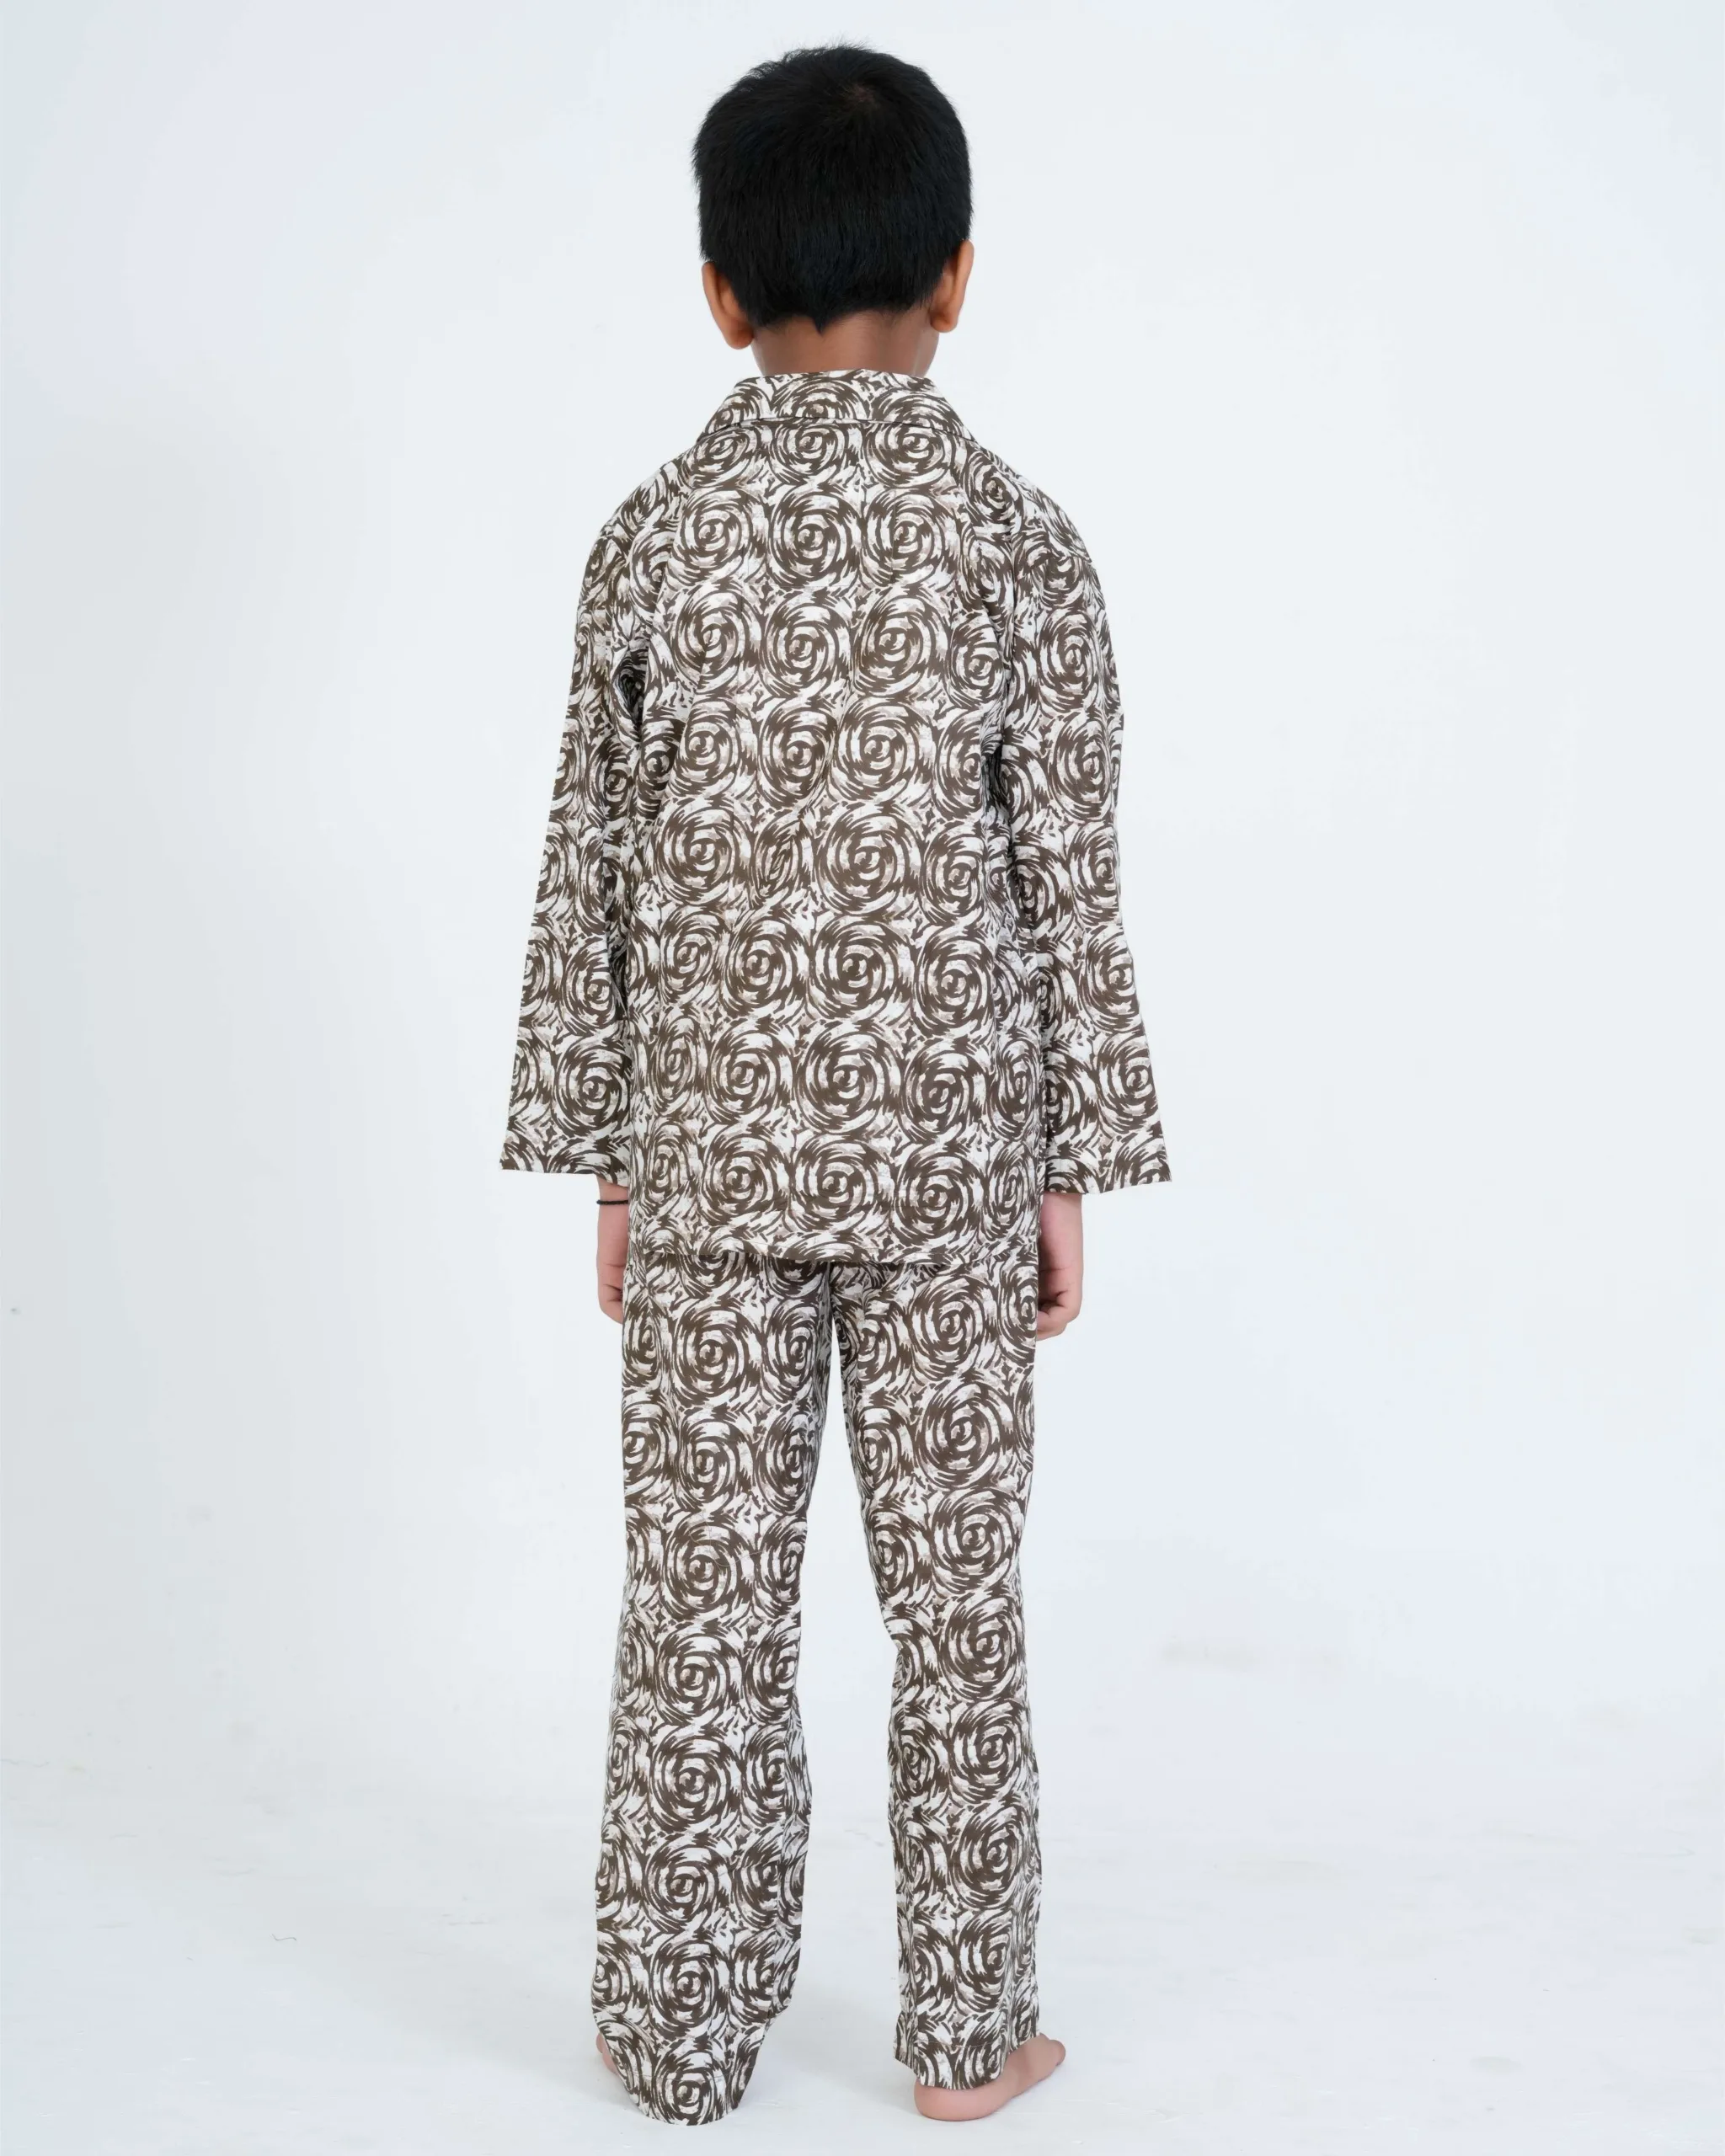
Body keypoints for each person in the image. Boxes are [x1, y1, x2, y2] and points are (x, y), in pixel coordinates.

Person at [500, 41, 1171, 2127]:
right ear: (957, 275)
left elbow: (593, 867)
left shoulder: (650, 538)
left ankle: (676, 2031)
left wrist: (610, 1159)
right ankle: (970, 2035)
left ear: (719, 291)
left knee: (696, 1612)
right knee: (956, 1606)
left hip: (705, 1157)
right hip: (949, 1165)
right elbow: (1066, 877)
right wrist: (1069, 1159)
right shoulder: (1018, 543)